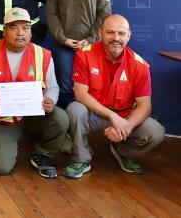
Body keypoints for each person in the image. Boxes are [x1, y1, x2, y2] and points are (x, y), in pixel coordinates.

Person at [64, 14, 165, 179]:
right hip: (94, 114)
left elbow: (145, 106)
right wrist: (112, 116)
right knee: (75, 109)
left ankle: (122, 151)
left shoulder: (140, 66)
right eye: (110, 32)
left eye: (121, 33)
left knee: (156, 132)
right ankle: (81, 159)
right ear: (100, 32)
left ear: (129, 36)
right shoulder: (84, 55)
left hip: (125, 116)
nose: (116, 38)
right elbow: (80, 94)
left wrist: (125, 125)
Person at [0, 7, 69, 178]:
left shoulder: (43, 55)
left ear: (31, 32)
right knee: (1, 168)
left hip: (32, 116)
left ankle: (42, 154)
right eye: (13, 27)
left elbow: (52, 87)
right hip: (0, 119)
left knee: (60, 118)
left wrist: (50, 100)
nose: (20, 33)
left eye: (25, 28)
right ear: (4, 31)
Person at [47, 0, 111, 109]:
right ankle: (67, 127)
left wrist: (89, 40)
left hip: (92, 46)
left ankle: (88, 125)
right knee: (65, 87)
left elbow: (104, 13)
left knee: (91, 86)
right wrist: (64, 39)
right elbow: (51, 14)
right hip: (64, 46)